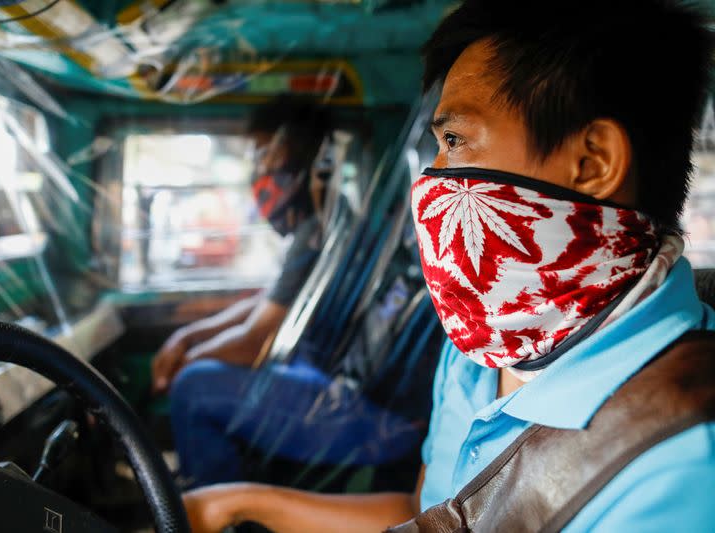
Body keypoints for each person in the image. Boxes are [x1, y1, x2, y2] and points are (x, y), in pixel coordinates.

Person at [180, 0, 715, 531]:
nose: (433, 179)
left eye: (455, 141)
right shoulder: (485, 345)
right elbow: (428, 516)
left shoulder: (681, 460)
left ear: (592, 163)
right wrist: (239, 501)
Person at [153, 95, 433, 490]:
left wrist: (183, 365)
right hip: (333, 383)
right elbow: (267, 302)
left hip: (361, 412)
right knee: (201, 377)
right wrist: (188, 336)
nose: (261, 169)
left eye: (266, 154)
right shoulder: (324, 227)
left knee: (195, 388)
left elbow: (257, 339)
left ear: (300, 156)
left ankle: (214, 515)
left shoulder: (318, 233)